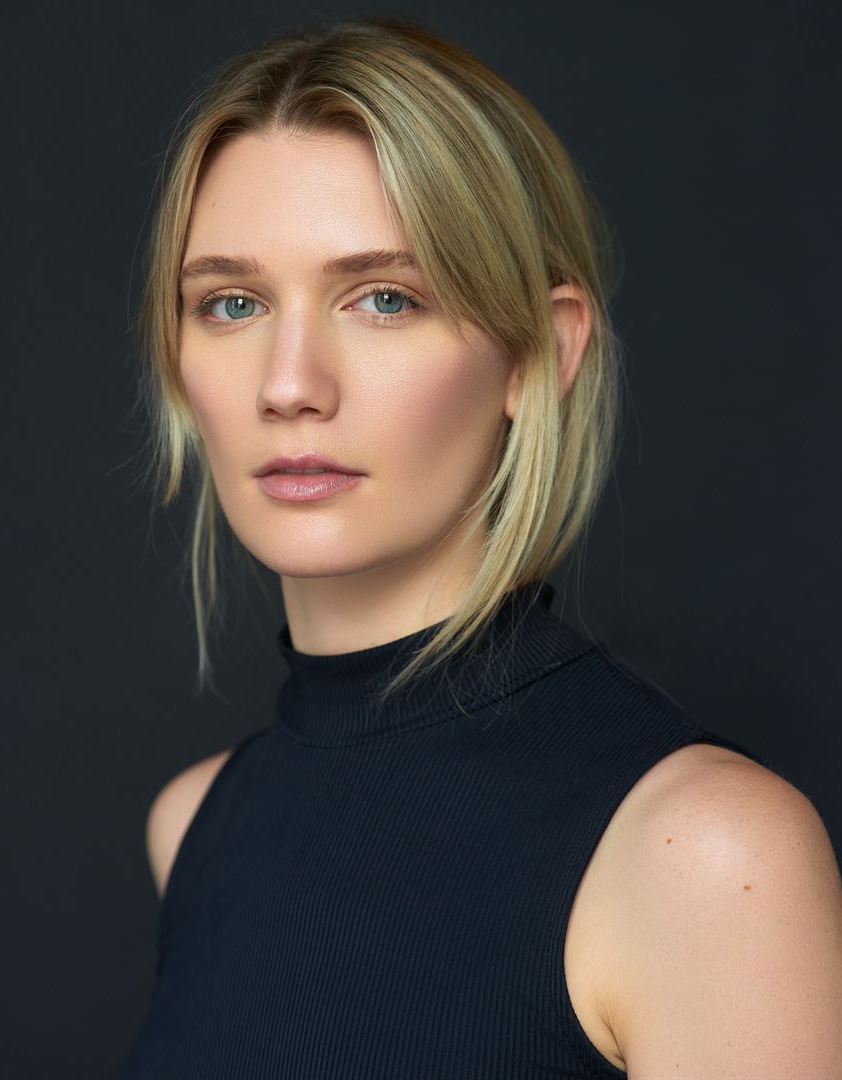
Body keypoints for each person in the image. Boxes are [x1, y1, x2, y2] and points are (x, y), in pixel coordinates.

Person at [121, 16, 842, 1079]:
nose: (288, 384)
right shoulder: (192, 827)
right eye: (231, 303)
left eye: (383, 298)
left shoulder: (704, 856)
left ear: (536, 354)